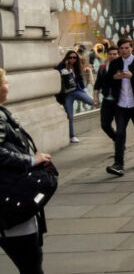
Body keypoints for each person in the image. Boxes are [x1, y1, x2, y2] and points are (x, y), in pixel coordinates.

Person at [0, 68, 51, 274]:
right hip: (8, 200)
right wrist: (30, 160)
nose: (8, 86)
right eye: (5, 82)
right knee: (30, 261)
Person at [105, 38, 134, 176]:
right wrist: (114, 78)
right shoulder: (115, 63)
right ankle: (119, 164)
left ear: (132, 48)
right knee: (120, 134)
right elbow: (107, 82)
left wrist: (132, 76)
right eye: (121, 48)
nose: (124, 51)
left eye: (126, 48)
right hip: (121, 105)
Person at [55, 50, 94, 143]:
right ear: (67, 58)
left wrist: (84, 90)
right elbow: (56, 71)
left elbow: (80, 78)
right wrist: (62, 69)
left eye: (74, 57)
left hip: (77, 91)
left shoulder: (76, 67)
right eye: (70, 57)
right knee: (70, 116)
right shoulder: (62, 66)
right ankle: (72, 136)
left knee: (92, 101)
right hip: (67, 94)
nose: (72, 59)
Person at [92, 45, 120, 142]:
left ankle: (119, 147)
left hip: (119, 101)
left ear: (118, 55)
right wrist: (95, 97)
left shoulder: (122, 67)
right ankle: (117, 139)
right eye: (110, 54)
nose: (112, 56)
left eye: (115, 54)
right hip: (107, 101)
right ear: (107, 55)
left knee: (120, 126)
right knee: (105, 125)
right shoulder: (102, 68)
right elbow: (97, 84)